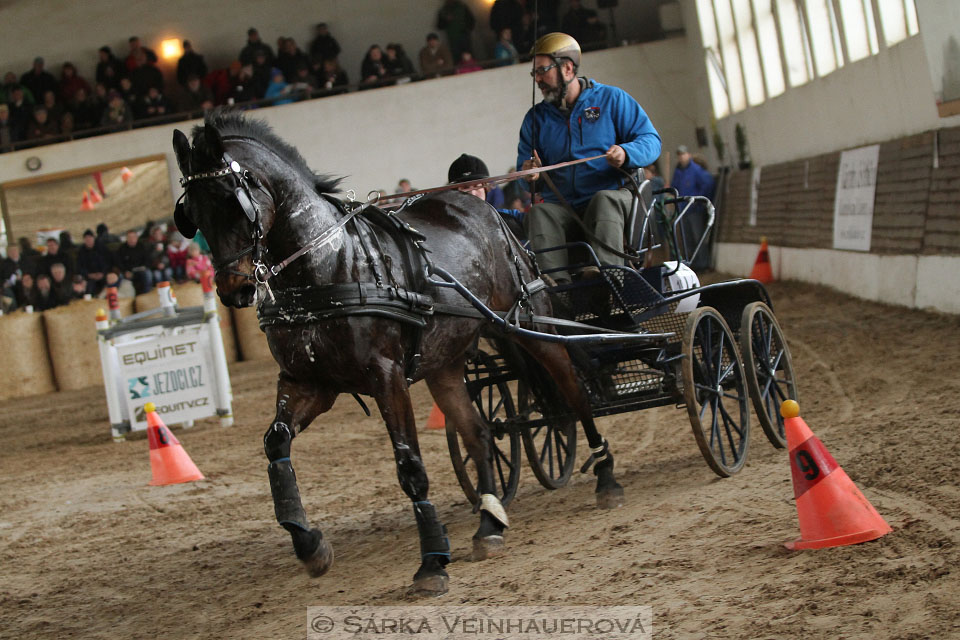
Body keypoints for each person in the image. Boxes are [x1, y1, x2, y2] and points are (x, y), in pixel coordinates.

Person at [518, 33, 661, 284]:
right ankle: (557, 290)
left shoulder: (612, 99)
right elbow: (525, 175)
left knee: (603, 200)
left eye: (542, 71)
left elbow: (651, 141)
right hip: (565, 209)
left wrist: (627, 153)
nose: (537, 79)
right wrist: (530, 175)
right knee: (539, 214)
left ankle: (608, 280)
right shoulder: (534, 119)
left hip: (613, 199)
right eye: (534, 73)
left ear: (568, 68)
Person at [448, 153, 526, 240]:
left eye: (477, 186)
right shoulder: (443, 225)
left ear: (486, 189)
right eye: (465, 187)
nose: (472, 193)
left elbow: (530, 221)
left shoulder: (499, 217)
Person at [671, 145, 715, 270]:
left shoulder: (696, 170)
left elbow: (708, 184)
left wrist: (697, 200)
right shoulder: (678, 172)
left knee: (698, 238)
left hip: (694, 210)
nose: (681, 157)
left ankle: (704, 264)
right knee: (688, 240)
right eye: (679, 155)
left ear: (688, 155)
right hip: (682, 210)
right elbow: (675, 187)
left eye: (683, 154)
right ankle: (693, 264)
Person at [114, 229, 153, 294]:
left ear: (136, 238)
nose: (132, 239)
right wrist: (125, 271)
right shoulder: (122, 248)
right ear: (126, 238)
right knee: (120, 277)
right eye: (129, 237)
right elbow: (119, 263)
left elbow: (148, 259)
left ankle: (147, 293)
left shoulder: (142, 246)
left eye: (133, 237)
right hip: (128, 271)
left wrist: (145, 266)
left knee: (148, 274)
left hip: (141, 269)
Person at [76, 229, 109, 295]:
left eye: (90, 238)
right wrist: (89, 275)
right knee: (89, 287)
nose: (88, 240)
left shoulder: (102, 248)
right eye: (86, 239)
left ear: (94, 238)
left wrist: (103, 273)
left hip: (103, 274)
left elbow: (108, 262)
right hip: (89, 277)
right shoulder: (81, 252)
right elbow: (79, 267)